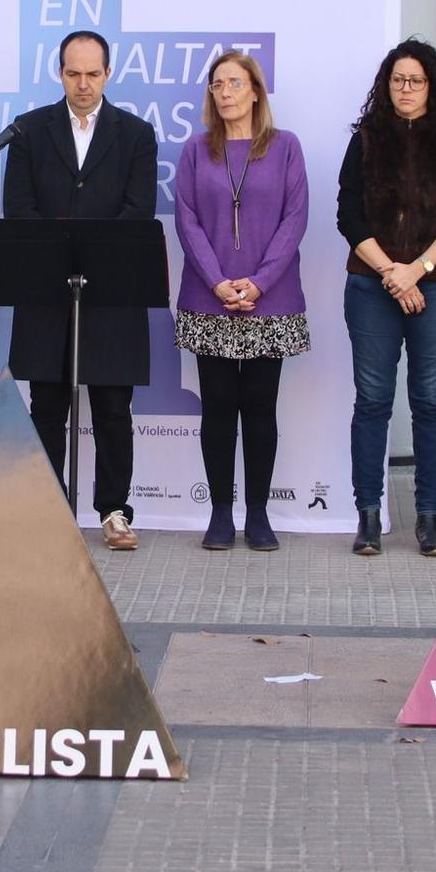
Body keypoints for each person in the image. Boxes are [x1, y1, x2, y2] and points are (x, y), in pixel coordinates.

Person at [4, 29, 159, 551]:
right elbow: (19, 209)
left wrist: (94, 253)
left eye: (93, 73)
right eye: (74, 73)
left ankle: (114, 511)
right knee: (46, 404)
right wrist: (56, 252)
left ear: (109, 73)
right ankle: (47, 510)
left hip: (112, 293)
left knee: (114, 407)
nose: (84, 83)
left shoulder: (136, 134)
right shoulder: (27, 130)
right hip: (47, 292)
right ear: (59, 73)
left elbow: (138, 211)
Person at [336, 39, 436, 559]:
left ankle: (429, 519)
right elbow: (348, 215)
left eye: (416, 80)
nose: (406, 89)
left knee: (430, 402)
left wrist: (417, 270)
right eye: (398, 80)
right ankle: (368, 516)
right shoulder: (366, 139)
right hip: (373, 283)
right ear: (385, 85)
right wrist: (392, 272)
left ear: (432, 86)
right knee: (372, 401)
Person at [173, 50, 309, 553]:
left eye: (234, 82)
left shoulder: (286, 147)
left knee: (259, 409)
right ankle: (220, 513)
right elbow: (186, 221)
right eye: (216, 84)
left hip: (268, 303)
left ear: (255, 90)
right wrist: (217, 281)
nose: (224, 91)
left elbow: (294, 219)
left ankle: (257, 513)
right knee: (217, 409)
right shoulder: (195, 150)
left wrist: (259, 282)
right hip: (209, 301)